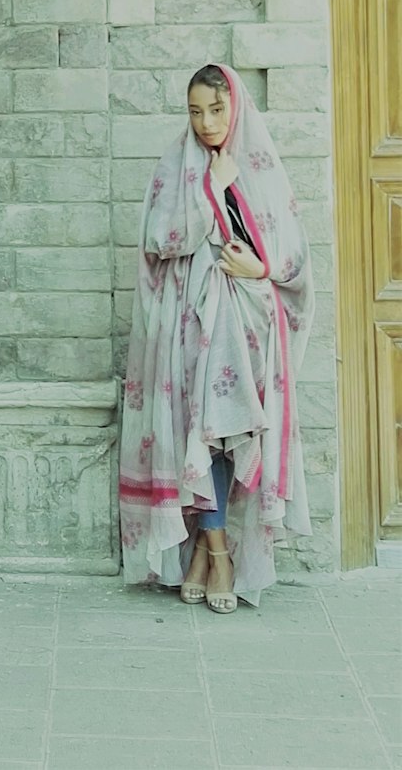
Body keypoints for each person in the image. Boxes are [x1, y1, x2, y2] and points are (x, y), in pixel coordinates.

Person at [118, 64, 313, 612]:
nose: (206, 123)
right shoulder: (175, 165)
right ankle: (219, 554)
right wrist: (213, 187)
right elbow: (160, 239)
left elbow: (294, 258)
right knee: (200, 431)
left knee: (230, 434)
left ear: (237, 107)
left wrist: (259, 269)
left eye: (216, 109)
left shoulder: (263, 167)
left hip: (250, 327)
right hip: (190, 324)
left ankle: (207, 553)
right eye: (195, 110)